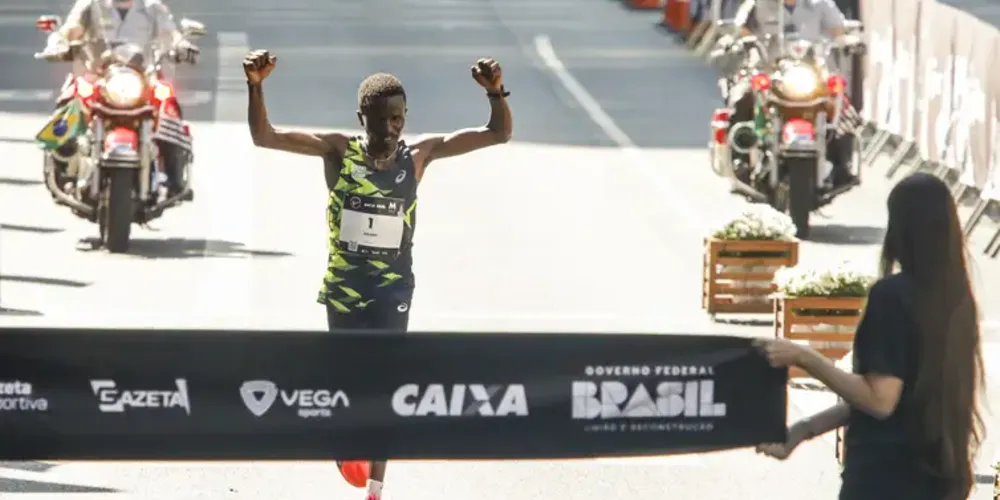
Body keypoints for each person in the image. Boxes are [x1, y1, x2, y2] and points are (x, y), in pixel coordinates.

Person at [242, 49, 513, 500]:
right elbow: (264, 136)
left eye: (397, 119)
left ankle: (375, 489)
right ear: (361, 119)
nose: (388, 129)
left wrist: (496, 93)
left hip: (393, 289)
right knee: (347, 381)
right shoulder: (339, 152)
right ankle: (347, 441)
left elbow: (498, 133)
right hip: (345, 289)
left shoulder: (418, 156)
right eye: (379, 120)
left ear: (406, 118)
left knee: (386, 380)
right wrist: (255, 86)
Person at [753, 172, 985, 500]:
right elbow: (898, 397)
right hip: (943, 479)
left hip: (884, 479)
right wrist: (805, 430)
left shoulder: (891, 296)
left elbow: (879, 399)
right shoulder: (958, 299)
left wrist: (804, 357)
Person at [51, 0, 199, 196]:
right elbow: (70, 31)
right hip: (98, 78)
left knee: (167, 103)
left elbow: (171, 34)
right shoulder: (91, 5)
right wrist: (59, 44)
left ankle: (175, 177)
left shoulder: (152, 8)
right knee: (70, 100)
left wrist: (182, 45)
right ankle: (62, 168)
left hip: (142, 80)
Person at [727, 0, 857, 189]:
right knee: (741, 97)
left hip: (812, 74)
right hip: (770, 73)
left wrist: (847, 41)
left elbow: (838, 31)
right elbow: (741, 28)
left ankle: (842, 165)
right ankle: (741, 160)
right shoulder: (758, 4)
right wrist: (745, 44)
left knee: (840, 105)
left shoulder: (820, 4)